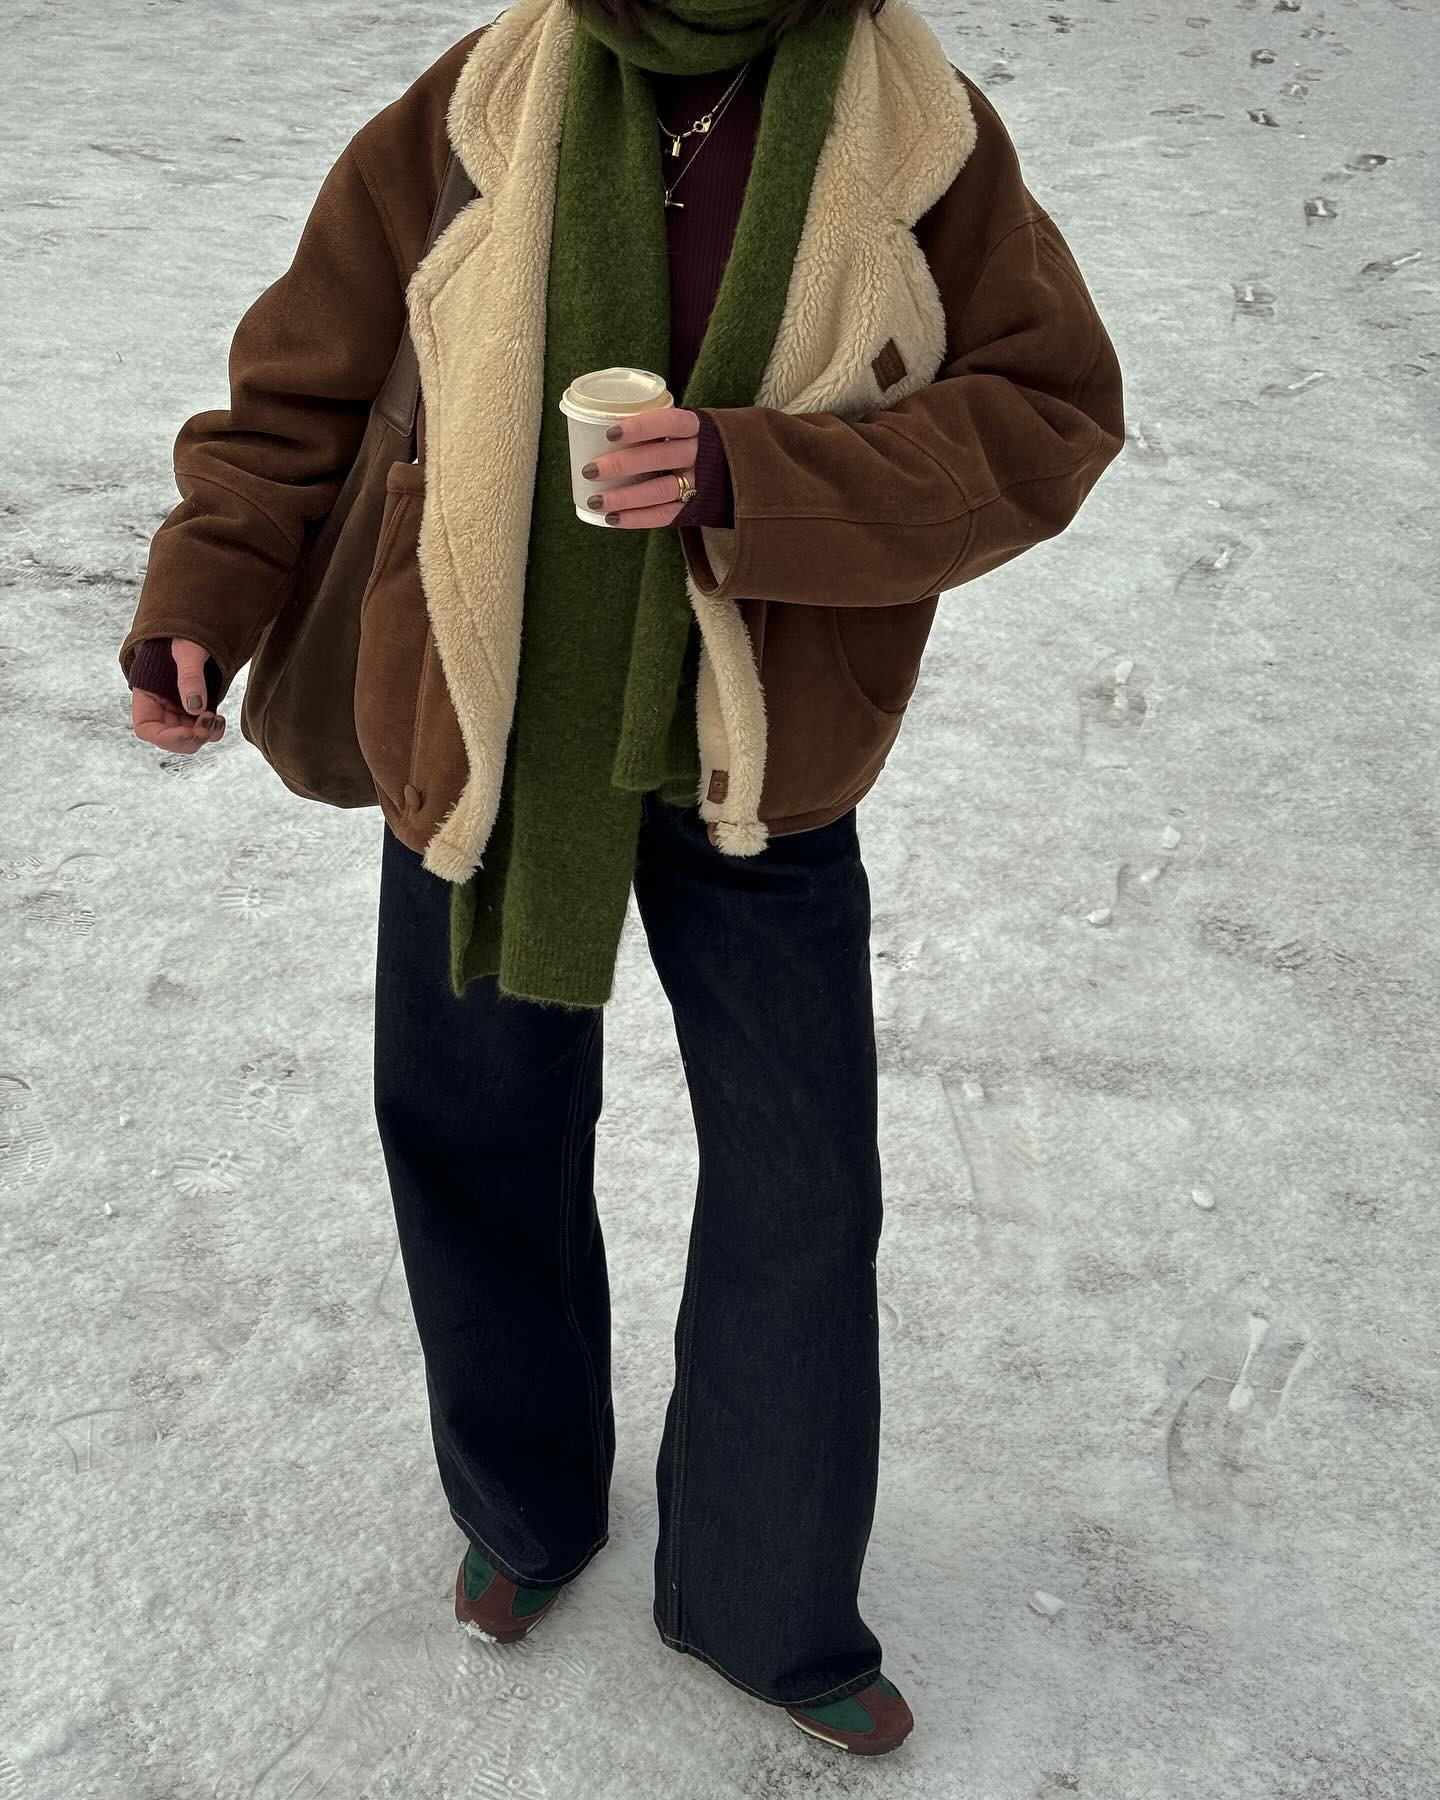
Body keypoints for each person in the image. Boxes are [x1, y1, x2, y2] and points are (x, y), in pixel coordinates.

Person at [118, 0, 1123, 1758]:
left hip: (759, 752)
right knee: (473, 1127)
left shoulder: (916, 128)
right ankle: (522, 1505)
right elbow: (305, 379)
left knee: (800, 1191)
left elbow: (1048, 417)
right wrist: (205, 591)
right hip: (486, 724)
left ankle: (764, 1594)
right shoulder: (483, 96)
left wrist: (756, 470)